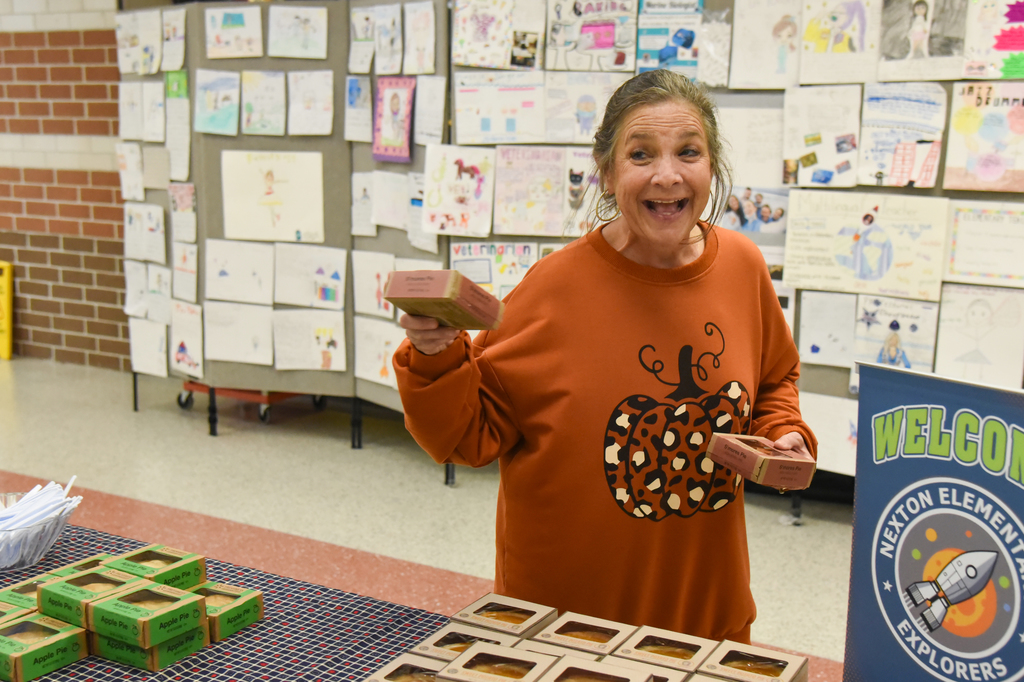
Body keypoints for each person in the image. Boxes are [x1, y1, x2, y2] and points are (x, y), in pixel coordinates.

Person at [393, 70, 816, 643]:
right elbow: (468, 433)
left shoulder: (741, 266)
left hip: (704, 615)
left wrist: (782, 431)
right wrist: (435, 355)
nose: (667, 175)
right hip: (568, 630)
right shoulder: (556, 288)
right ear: (607, 170)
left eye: (687, 151)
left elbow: (773, 379)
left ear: (711, 164)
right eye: (641, 154)